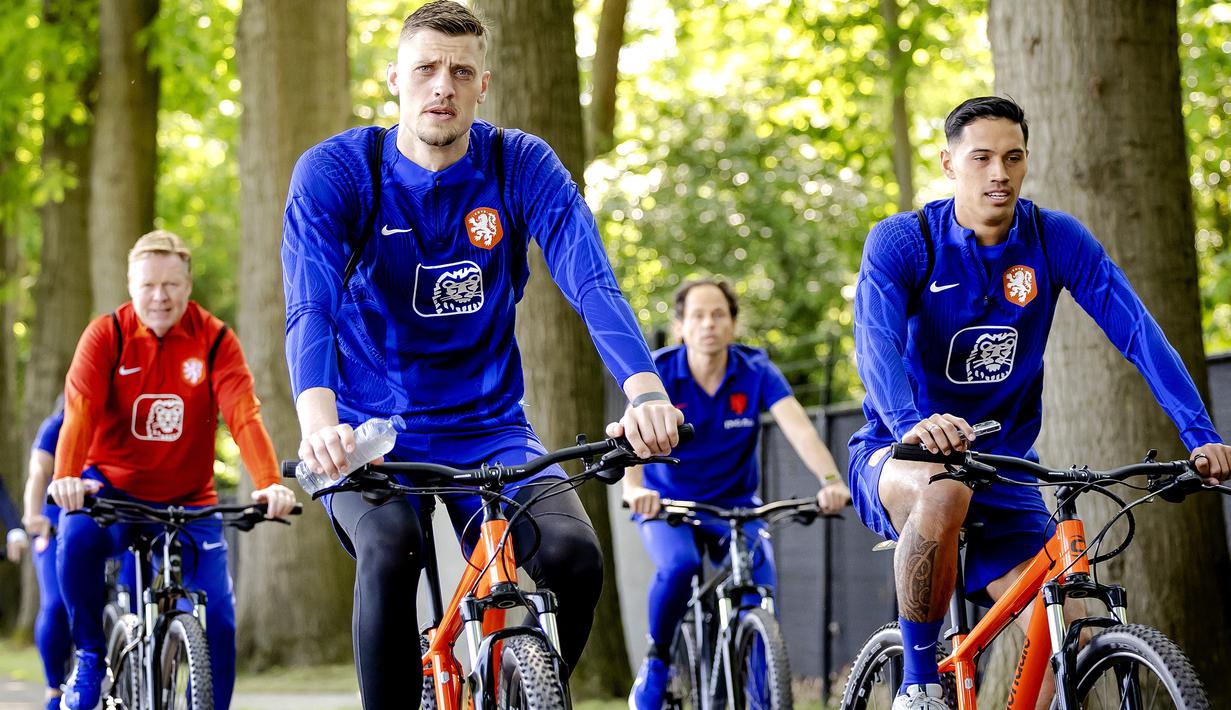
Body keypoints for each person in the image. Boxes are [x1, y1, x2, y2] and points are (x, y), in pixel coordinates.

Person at [281, 2, 682, 708]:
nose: (443, 85)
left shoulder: (520, 164)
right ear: (395, 79)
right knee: (390, 548)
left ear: (483, 85)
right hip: (366, 431)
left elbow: (590, 280)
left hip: (488, 426)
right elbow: (308, 306)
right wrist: (319, 424)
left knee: (573, 558)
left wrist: (645, 390)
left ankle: (528, 689)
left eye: (460, 71)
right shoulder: (338, 173)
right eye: (426, 69)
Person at [848, 95, 1231, 710]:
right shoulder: (904, 241)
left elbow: (1135, 328)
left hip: (1002, 470)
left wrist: (1198, 432)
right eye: (982, 158)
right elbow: (877, 344)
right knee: (943, 487)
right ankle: (919, 686)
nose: (999, 172)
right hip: (898, 453)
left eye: (1013, 157)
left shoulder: (1054, 239)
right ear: (950, 165)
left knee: (1070, 630)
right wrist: (913, 426)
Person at [50, 230, 296, 710]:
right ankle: (89, 655)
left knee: (220, 621)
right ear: (131, 284)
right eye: (148, 285)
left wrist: (268, 481)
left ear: (188, 285)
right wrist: (68, 474)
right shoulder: (108, 335)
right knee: (74, 539)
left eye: (171, 285)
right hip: (113, 495)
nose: (160, 296)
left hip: (189, 503)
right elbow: (79, 410)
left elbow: (243, 414)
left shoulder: (215, 339)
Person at [623, 278, 851, 710]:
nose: (708, 324)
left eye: (718, 314)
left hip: (737, 509)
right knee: (680, 565)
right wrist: (635, 489)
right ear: (681, 327)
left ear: (732, 324)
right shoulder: (660, 372)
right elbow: (633, 435)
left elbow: (798, 427)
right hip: (668, 506)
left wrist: (829, 480)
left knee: (760, 588)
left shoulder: (755, 370)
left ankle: (764, 700)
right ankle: (656, 661)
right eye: (697, 316)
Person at [21, 397, 73, 710]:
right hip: (53, 525)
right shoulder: (56, 425)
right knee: (55, 605)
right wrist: (32, 515)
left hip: (106, 519)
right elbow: (38, 472)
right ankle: (54, 688)